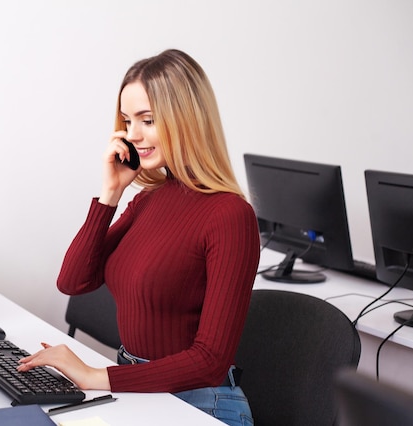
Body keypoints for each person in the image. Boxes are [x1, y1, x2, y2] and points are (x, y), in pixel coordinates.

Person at [18, 49, 260, 426]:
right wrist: (110, 194)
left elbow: (210, 361)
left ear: (187, 120)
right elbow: (74, 280)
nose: (133, 136)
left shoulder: (230, 215)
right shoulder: (147, 200)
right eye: (128, 121)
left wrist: (96, 377)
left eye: (147, 120)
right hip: (140, 392)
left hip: (200, 405)